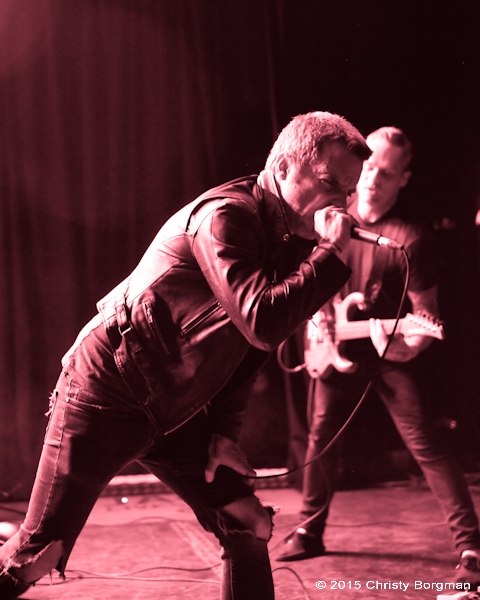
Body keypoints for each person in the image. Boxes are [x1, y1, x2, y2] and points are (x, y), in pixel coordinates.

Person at [0, 111, 371, 600]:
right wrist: (331, 254)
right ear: (283, 167)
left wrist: (222, 435)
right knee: (39, 555)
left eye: (349, 191)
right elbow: (261, 321)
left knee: (248, 522)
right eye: (330, 184)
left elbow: (248, 352)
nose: (342, 203)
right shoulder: (226, 216)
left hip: (177, 410)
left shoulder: (291, 242)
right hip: (109, 388)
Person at [276, 126, 480, 587]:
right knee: (320, 438)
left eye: (387, 173)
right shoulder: (329, 218)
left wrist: (414, 343)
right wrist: (317, 319)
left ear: (403, 178)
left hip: (386, 353)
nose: (372, 179)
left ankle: (471, 546)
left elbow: (427, 315)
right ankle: (309, 530)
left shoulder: (410, 238)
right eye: (369, 168)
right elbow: (306, 283)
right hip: (333, 348)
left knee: (425, 442)